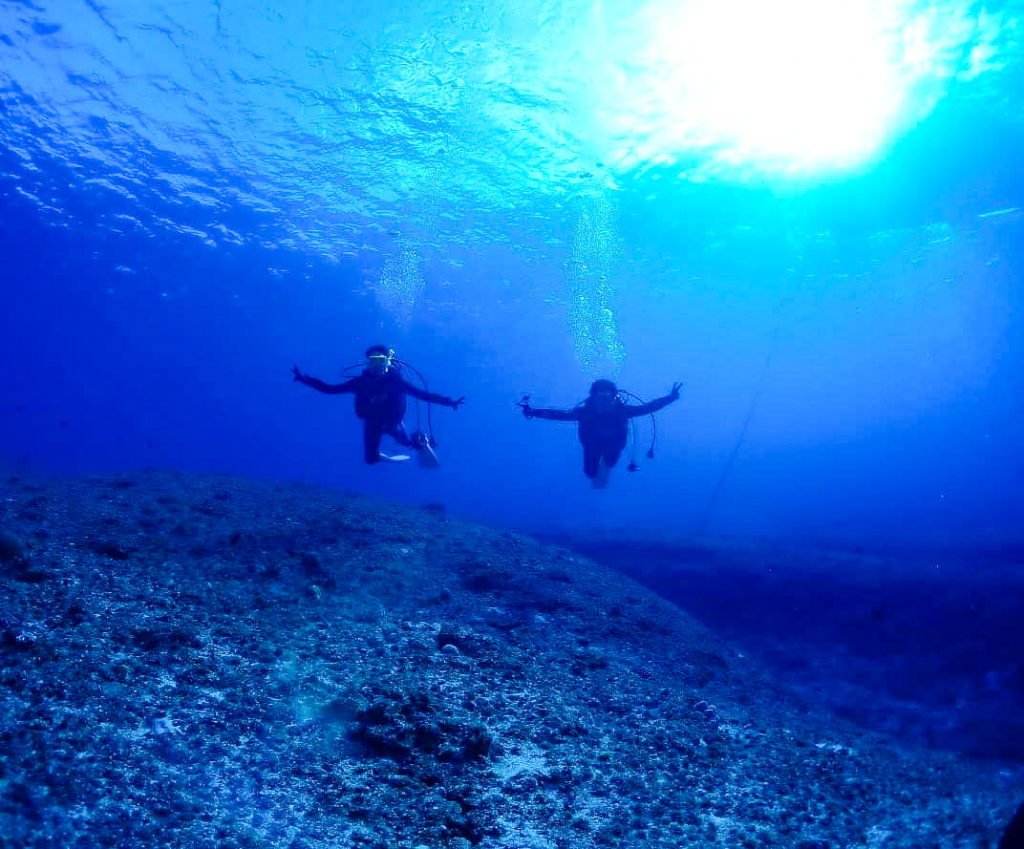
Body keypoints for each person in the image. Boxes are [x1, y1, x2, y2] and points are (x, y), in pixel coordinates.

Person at [293, 345, 464, 465]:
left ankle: (420, 439)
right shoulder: (360, 383)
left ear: (387, 362)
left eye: (380, 360)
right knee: (370, 460)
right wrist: (305, 380)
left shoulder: (396, 382)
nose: (376, 364)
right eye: (372, 360)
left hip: (391, 423)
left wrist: (449, 402)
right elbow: (330, 389)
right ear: (368, 362)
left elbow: (423, 395)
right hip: (372, 423)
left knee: (410, 444)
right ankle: (382, 457)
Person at [521, 379, 682, 486]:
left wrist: (671, 397)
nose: (604, 402)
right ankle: (599, 473)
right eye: (600, 397)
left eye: (608, 397)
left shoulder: (623, 411)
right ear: (594, 397)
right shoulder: (585, 412)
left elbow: (648, 407)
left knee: (609, 464)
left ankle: (605, 469)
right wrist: (533, 412)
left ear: (614, 397)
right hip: (591, 447)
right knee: (589, 473)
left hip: (614, 447)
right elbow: (559, 415)